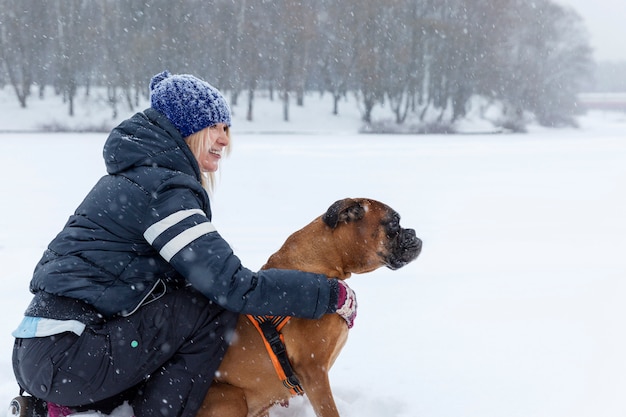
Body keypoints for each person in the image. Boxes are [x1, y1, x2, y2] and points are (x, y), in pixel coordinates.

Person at [10, 71, 357, 417]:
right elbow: (231, 285)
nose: (223, 140)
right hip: (70, 356)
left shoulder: (137, 176)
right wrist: (327, 294)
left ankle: (68, 406)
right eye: (214, 128)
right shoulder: (161, 188)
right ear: (187, 129)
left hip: (45, 353)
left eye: (226, 130)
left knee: (184, 302)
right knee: (209, 304)